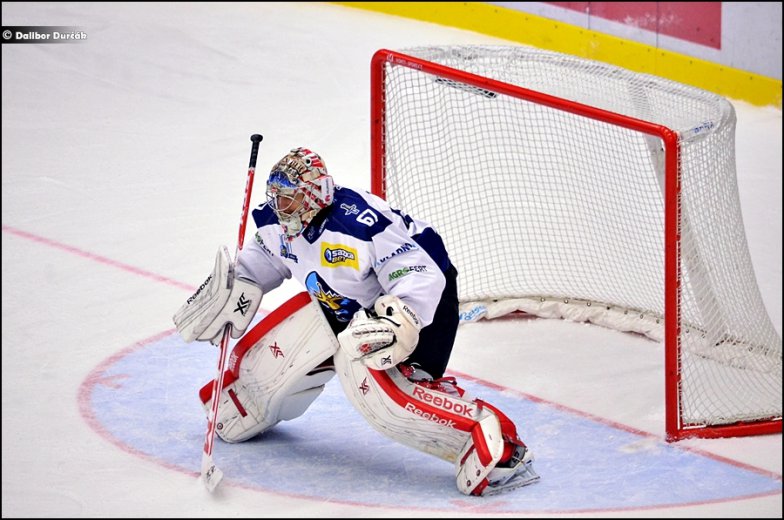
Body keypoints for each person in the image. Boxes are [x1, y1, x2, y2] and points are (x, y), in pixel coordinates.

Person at [173, 147, 540, 496]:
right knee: (279, 355)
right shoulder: (278, 223)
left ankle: (499, 447)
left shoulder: (359, 225)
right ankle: (246, 401)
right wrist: (233, 288)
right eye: (276, 197)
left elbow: (421, 272)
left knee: (385, 402)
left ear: (314, 196)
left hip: (420, 305)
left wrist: (400, 320)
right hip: (342, 305)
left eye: (289, 199)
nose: (279, 207)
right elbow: (262, 263)